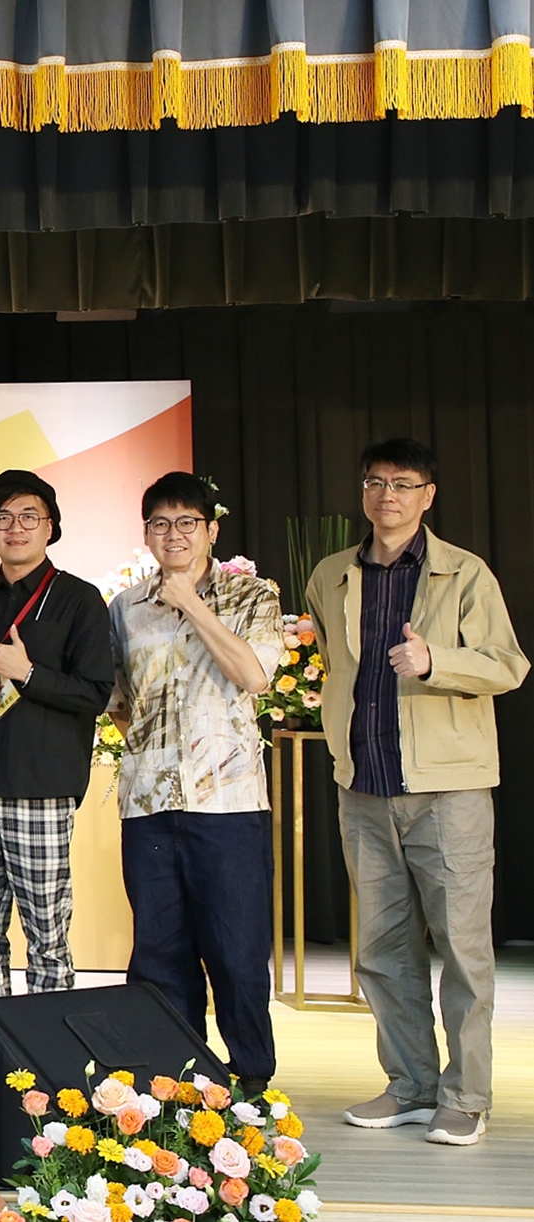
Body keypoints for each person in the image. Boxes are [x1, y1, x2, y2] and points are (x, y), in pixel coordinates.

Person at [307, 438, 528, 1146]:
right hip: (363, 786)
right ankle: (409, 1086)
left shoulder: (465, 572)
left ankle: (465, 1096)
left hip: (447, 789)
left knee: (462, 949)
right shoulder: (332, 574)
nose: (387, 496)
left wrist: (436, 661)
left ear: (428, 495)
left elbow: (507, 665)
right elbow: (333, 662)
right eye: (375, 482)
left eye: (403, 484)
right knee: (380, 950)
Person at [109, 472, 283, 1092]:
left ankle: (251, 1079)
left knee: (236, 951)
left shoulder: (253, 597)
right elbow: (120, 701)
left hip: (229, 803)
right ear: (146, 534)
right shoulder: (125, 608)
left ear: (211, 531)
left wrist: (192, 604)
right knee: (159, 953)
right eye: (160, 523)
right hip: (148, 803)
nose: (173, 534)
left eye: (187, 522)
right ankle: (171, 1082)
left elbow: (254, 676)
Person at [0, 469, 112, 1000]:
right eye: (4, 518)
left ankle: (45, 1043)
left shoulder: (80, 599)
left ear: (50, 526)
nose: (16, 528)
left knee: (47, 932)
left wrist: (28, 673)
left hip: (40, 787)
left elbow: (95, 694)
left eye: (29, 517)